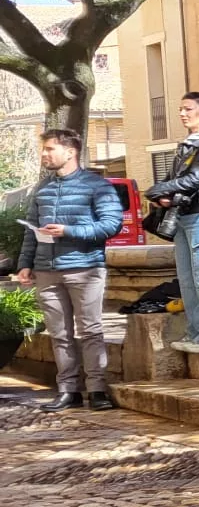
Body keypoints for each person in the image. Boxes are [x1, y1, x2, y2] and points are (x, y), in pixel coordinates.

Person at [14, 129, 123, 411]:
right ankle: (68, 390)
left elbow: (112, 224)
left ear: (70, 151)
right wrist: (25, 264)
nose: (44, 154)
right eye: (44, 149)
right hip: (46, 271)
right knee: (59, 334)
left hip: (85, 268)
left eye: (50, 149)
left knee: (90, 330)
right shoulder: (43, 188)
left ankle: (97, 390)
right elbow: (30, 231)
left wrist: (69, 230)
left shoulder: (97, 185)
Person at [145, 92, 199, 354]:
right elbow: (175, 180)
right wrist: (162, 195)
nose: (182, 114)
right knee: (188, 281)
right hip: (184, 219)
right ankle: (197, 333)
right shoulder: (188, 145)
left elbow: (194, 180)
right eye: (180, 109)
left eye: (188, 109)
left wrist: (157, 190)